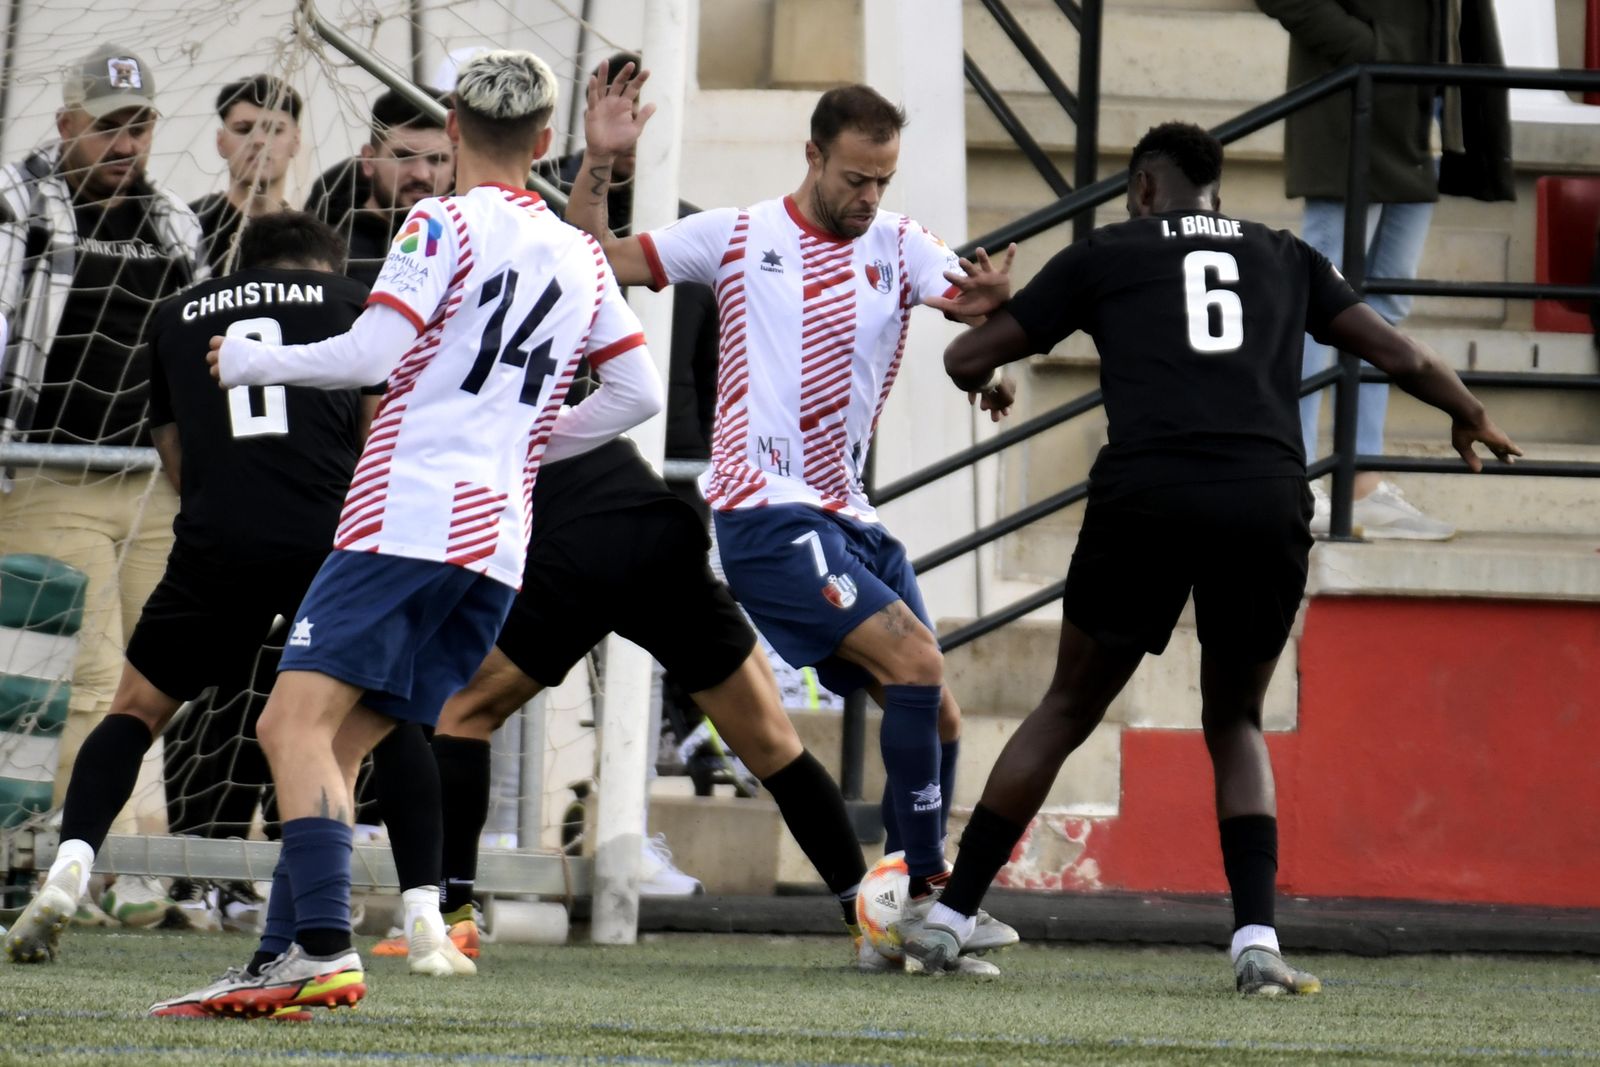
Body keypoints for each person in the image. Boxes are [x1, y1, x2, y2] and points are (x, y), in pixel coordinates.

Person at [898, 123, 1521, 993]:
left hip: (1145, 495)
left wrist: (994, 334)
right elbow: (1396, 350)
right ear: (1215, 192)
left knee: (1069, 703)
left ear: (1143, 189)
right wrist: (1466, 410)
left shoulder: (1109, 250)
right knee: (1234, 721)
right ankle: (1256, 941)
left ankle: (952, 919)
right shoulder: (1283, 253)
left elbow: (967, 355)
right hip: (1262, 497)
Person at [143, 48, 662, 1018]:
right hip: (495, 544)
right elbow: (637, 394)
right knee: (334, 751)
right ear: (547, 141)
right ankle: (276, 955)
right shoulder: (580, 252)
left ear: (455, 129)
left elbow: (375, 351)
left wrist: (261, 355)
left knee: (284, 724)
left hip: (405, 519)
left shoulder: (440, 220)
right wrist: (525, 442)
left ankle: (325, 947)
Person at [568, 64, 1019, 962]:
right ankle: (928, 897)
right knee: (917, 658)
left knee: (937, 717)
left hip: (852, 514)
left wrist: (993, 354)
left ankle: (887, 922)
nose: (868, 195)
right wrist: (599, 164)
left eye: (882, 178)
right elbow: (597, 256)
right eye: (855, 177)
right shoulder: (735, 236)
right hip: (763, 512)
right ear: (812, 155)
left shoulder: (899, 243)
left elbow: (968, 315)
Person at [1, 211, 381, 962]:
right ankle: (397, 915)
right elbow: (376, 432)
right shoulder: (352, 302)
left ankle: (72, 861)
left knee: (135, 710)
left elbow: (172, 452)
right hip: (327, 539)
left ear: (245, 262)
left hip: (218, 541)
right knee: (360, 725)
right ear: (325, 263)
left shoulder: (175, 315)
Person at [368, 426, 879, 971]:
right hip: (658, 519)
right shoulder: (550, 388)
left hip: (582, 538)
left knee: (462, 711)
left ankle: (452, 916)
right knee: (775, 745)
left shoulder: (436, 406)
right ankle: (869, 920)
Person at [0, 43, 205, 924]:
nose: (126, 142)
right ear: (68, 125)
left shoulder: (174, 224)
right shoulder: (19, 202)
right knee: (82, 682)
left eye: (141, 123)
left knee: (156, 675)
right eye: (109, 125)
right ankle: (80, 869)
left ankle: (115, 865)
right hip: (50, 471)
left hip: (146, 482)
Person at [1256, 0, 1514, 539]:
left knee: (1383, 307)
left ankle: (1362, 479)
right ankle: (1292, 478)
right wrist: (1373, 50)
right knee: (1319, 302)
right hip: (1355, 106)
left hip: (1421, 120)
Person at [304, 86, 453, 288]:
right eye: (404, 157)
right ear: (369, 160)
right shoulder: (325, 250)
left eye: (437, 160)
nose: (421, 174)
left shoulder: (468, 244)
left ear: (455, 165)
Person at [191, 75, 304, 274]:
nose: (259, 140)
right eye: (243, 129)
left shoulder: (309, 237)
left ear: (296, 141)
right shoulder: (189, 225)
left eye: (274, 130)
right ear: (220, 142)